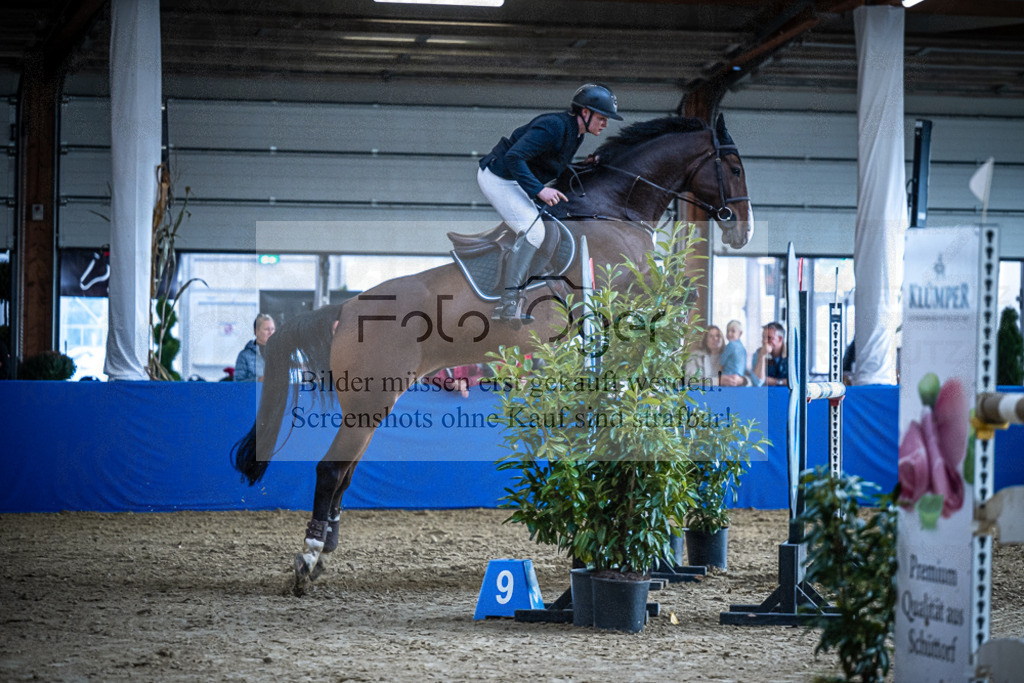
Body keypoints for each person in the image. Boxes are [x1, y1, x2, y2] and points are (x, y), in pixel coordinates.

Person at [477, 83, 623, 323]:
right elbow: (514, 156)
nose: (605, 123)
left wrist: (581, 166)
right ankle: (507, 302)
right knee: (534, 233)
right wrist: (539, 191)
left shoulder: (576, 133)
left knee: (552, 228)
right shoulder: (553, 126)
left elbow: (550, 163)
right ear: (584, 113)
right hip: (499, 178)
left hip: (518, 180)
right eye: (602, 117)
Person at [234, 313, 276, 382]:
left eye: (273, 329)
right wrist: (258, 380)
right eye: (266, 329)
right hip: (254, 392)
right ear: (256, 331)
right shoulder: (244, 356)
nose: (270, 333)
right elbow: (237, 383)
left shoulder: (280, 353)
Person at [750, 321, 787, 387]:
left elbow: (800, 381)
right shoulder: (758, 353)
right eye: (763, 337)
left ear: (780, 339)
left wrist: (776, 381)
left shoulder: (793, 355)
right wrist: (762, 355)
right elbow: (757, 382)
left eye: (769, 338)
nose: (764, 341)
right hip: (765, 395)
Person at [719, 319, 748, 386]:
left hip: (728, 377)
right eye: (727, 331)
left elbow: (722, 362)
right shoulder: (743, 348)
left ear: (740, 333)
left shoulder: (731, 345)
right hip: (739, 378)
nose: (729, 334)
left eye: (733, 331)